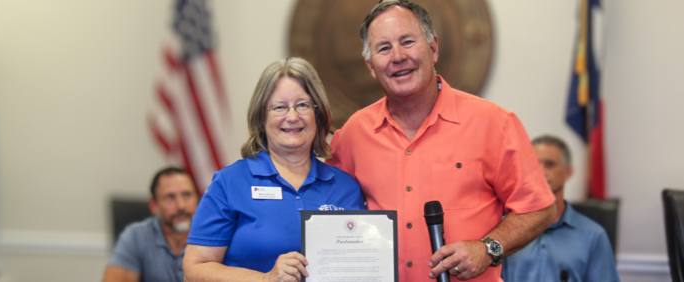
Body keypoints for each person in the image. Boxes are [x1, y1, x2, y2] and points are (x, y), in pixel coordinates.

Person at [326, 1, 557, 281]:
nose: (398, 56)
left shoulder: (495, 123)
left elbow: (540, 209)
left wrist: (488, 249)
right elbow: (329, 213)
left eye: (407, 41)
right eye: (384, 48)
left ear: (433, 48)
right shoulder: (353, 134)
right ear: (371, 67)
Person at [182, 57, 366, 282]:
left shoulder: (346, 187)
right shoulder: (230, 183)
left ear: (318, 114)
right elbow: (194, 268)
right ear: (262, 117)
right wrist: (265, 279)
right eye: (279, 107)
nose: (292, 117)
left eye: (303, 105)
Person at [501, 135, 620, 282]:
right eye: (534, 165)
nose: (541, 172)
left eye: (550, 164)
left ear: (568, 172)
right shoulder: (503, 229)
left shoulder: (594, 235)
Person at [102, 167, 200, 282]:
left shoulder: (216, 234)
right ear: (153, 206)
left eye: (187, 195)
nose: (181, 206)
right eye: (170, 197)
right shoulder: (136, 236)